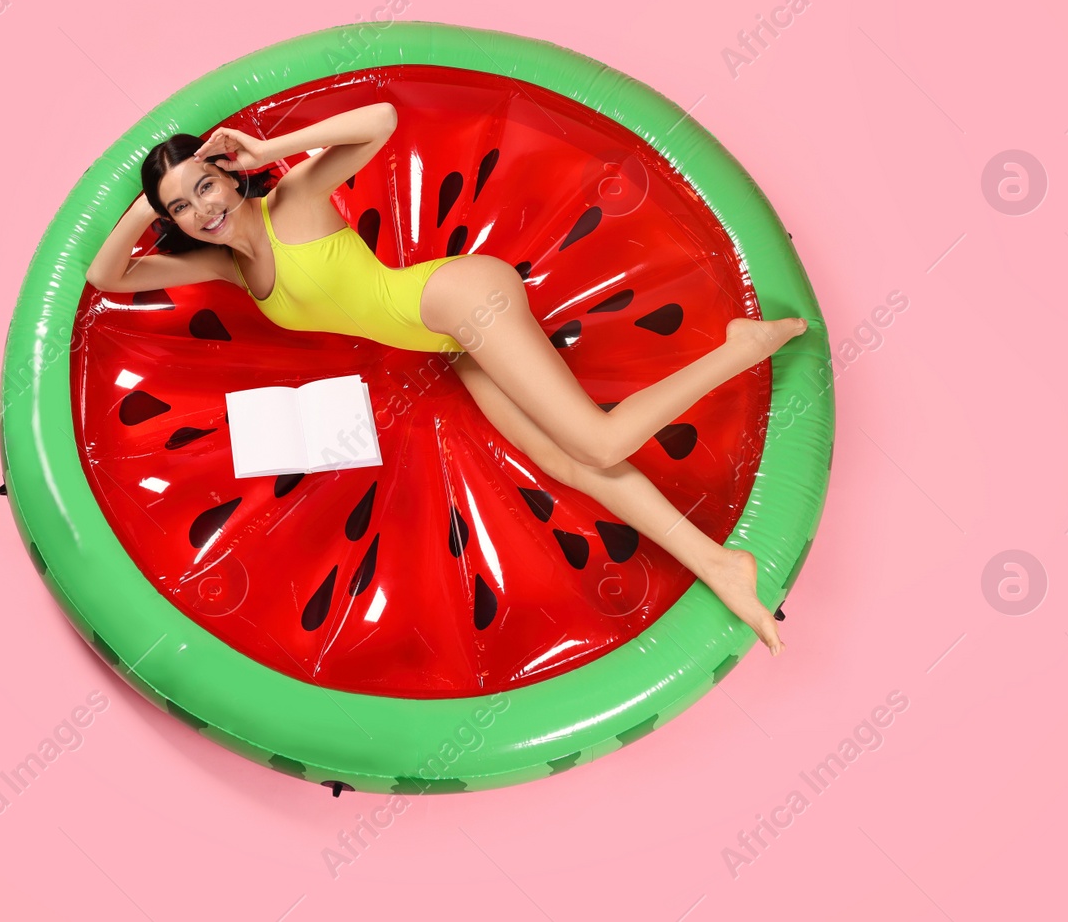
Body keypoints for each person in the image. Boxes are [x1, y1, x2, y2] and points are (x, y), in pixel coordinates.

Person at [87, 101, 807, 654]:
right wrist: (147, 204)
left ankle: (739, 349)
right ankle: (719, 566)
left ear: (230, 173)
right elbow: (107, 274)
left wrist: (269, 149)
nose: (202, 209)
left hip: (462, 297)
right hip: (447, 342)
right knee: (567, 461)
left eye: (205, 185)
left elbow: (381, 123)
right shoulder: (230, 267)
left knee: (599, 442)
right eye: (182, 206)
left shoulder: (293, 200)